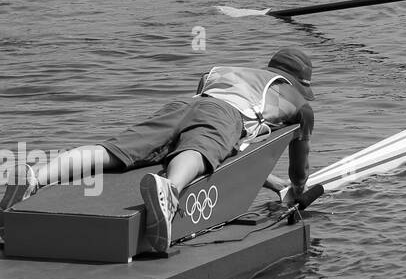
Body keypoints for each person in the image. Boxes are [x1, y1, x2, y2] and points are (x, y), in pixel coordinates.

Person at [1, 48, 316, 255]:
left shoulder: (230, 71)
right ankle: (170, 189)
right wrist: (296, 189)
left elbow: (225, 145)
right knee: (197, 148)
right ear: (301, 85)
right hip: (225, 116)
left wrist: (275, 186)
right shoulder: (300, 106)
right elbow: (297, 169)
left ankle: (35, 177)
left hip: (184, 104)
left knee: (118, 150)